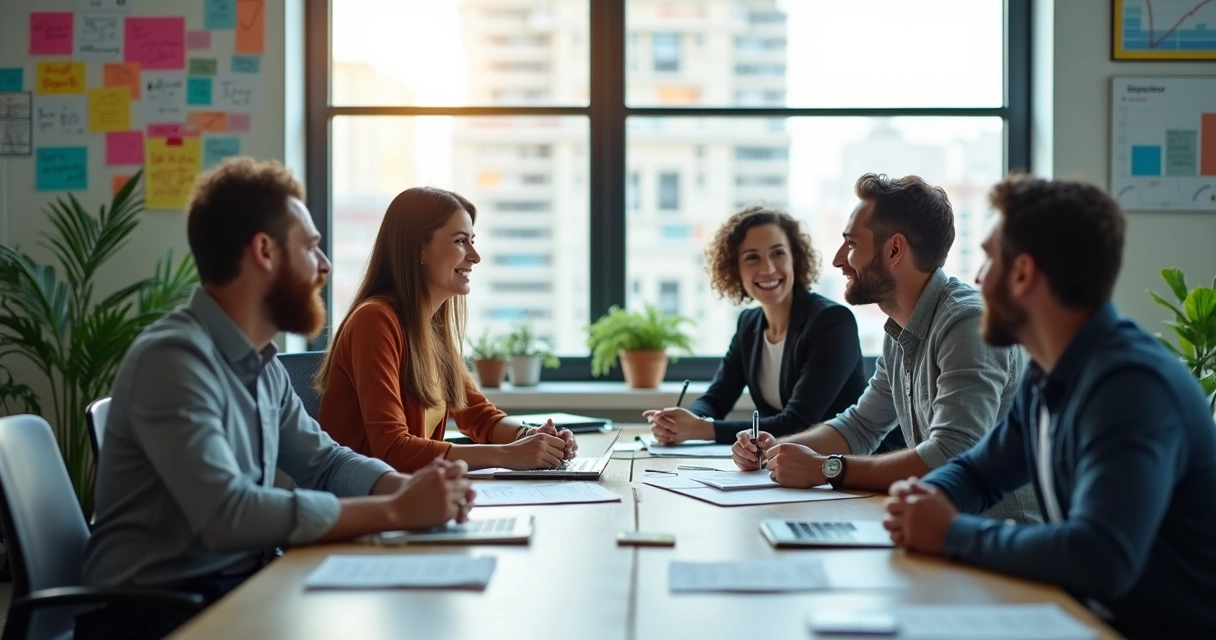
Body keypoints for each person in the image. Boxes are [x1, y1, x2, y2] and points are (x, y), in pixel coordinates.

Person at [79, 158, 475, 640]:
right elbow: (229, 515)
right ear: (264, 252)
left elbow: (324, 463)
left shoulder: (260, 363)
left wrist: (404, 487)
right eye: (310, 247)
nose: (325, 265)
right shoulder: (173, 361)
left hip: (237, 584)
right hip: (158, 613)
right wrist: (395, 511)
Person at [883, 176, 1216, 637]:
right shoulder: (1050, 375)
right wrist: (925, 500)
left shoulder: (1131, 387)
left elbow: (1101, 557)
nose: (977, 278)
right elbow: (979, 473)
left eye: (989, 259)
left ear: (1023, 274)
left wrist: (951, 532)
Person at [733, 173, 1039, 524]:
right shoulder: (899, 331)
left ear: (894, 250)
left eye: (851, 244)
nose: (838, 260)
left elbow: (951, 454)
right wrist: (775, 450)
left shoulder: (967, 322)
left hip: (1000, 537)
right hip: (940, 529)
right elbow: (860, 426)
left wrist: (826, 468)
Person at [317, 187, 577, 473]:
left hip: (409, 490)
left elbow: (480, 417)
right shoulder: (374, 320)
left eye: (472, 241)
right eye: (460, 241)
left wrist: (532, 437)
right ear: (419, 249)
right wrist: (507, 455)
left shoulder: (431, 329)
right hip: (361, 493)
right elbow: (392, 450)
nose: (475, 256)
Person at [642, 205, 867, 444]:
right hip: (788, 461)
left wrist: (702, 429)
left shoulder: (832, 322)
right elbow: (716, 399)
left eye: (778, 253)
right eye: (752, 257)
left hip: (848, 460)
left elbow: (798, 422)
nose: (768, 268)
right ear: (735, 269)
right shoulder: (748, 325)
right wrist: (680, 422)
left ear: (795, 258)